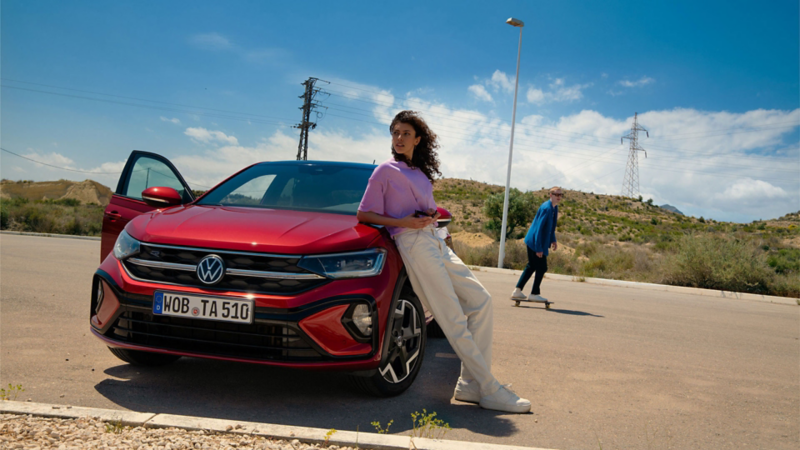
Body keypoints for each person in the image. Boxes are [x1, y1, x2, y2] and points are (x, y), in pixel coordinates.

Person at [357, 110, 531, 414]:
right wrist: (403, 223)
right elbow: (364, 214)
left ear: (418, 138)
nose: (399, 138)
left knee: (482, 301)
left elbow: (424, 210)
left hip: (435, 239)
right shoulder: (385, 171)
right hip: (412, 243)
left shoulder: (420, 173)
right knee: (452, 317)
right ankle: (490, 388)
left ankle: (469, 384)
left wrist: (431, 216)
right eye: (395, 132)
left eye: (405, 133)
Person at [512, 187, 562, 302]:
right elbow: (539, 229)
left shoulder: (554, 208)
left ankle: (517, 291)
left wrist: (553, 240)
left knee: (532, 266)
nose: (559, 197)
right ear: (550, 195)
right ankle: (534, 293)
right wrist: (538, 248)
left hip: (537, 241)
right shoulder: (547, 208)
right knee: (542, 267)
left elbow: (551, 227)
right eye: (556, 194)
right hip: (535, 241)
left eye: (561, 195)